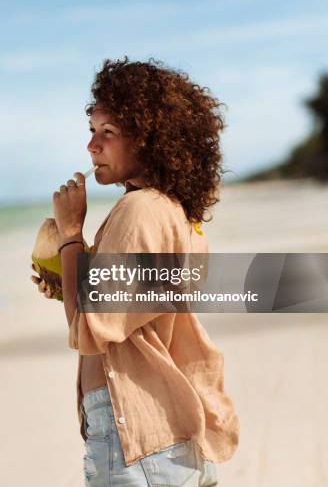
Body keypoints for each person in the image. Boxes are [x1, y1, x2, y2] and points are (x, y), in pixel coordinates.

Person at [32, 57, 239, 486]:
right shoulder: (175, 212)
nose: (92, 147)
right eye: (92, 131)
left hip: (135, 438)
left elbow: (87, 328)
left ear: (148, 140)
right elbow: (132, 314)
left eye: (108, 133)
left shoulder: (138, 212)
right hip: (168, 435)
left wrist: (71, 234)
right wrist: (67, 278)